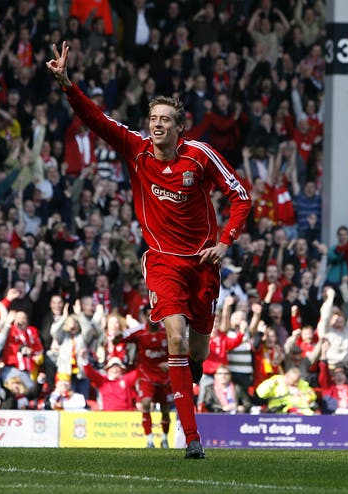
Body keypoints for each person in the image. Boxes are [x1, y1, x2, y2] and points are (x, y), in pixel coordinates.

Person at [47, 42, 252, 459]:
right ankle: (192, 438)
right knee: (174, 338)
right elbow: (96, 119)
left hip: (202, 263)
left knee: (196, 352)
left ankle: (189, 381)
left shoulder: (200, 156)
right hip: (162, 261)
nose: (157, 126)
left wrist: (224, 243)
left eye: (165, 120)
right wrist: (68, 84)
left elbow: (242, 197)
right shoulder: (136, 148)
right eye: (153, 119)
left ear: (181, 128)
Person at [114, 315, 172, 448]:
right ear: (145, 317)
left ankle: (164, 439)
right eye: (149, 314)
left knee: (165, 410)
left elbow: (179, 346)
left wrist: (170, 363)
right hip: (146, 376)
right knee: (145, 404)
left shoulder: (167, 331)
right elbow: (120, 338)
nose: (152, 317)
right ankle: (150, 440)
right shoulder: (139, 332)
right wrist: (117, 338)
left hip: (165, 376)